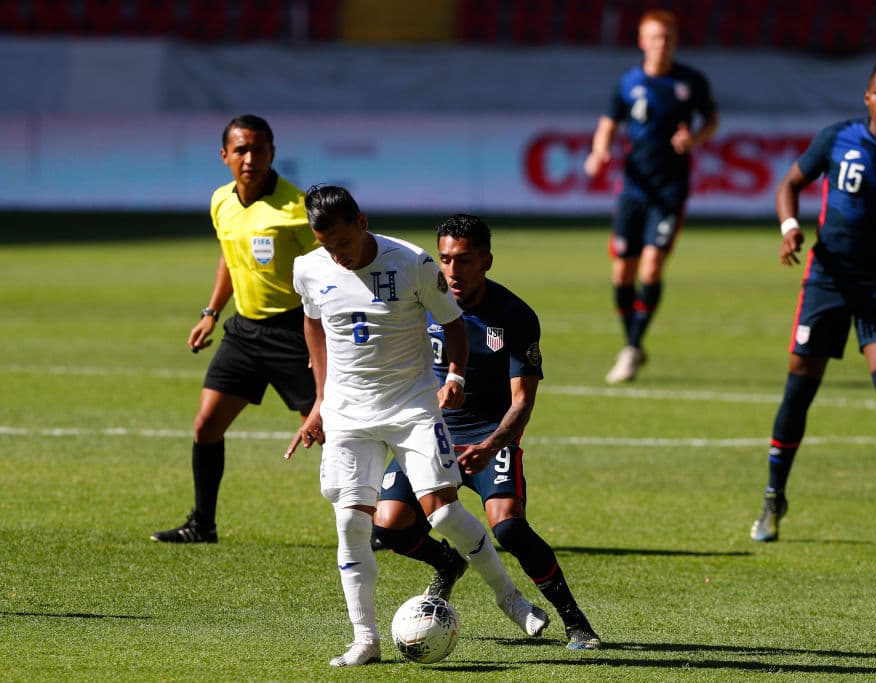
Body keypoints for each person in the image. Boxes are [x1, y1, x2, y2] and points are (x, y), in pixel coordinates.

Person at [285, 187, 549, 667]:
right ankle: (365, 638)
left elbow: (452, 325)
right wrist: (320, 401)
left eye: (343, 243)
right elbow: (313, 326)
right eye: (327, 246)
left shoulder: (412, 263)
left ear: (362, 222)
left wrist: (453, 376)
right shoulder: (309, 267)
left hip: (411, 407)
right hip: (347, 412)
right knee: (350, 523)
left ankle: (509, 598)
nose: (337, 256)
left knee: (444, 516)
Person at [371, 214, 601, 651]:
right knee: (389, 527)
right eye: (444, 260)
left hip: (490, 436)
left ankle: (576, 623)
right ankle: (447, 562)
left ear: (486, 261)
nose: (452, 272)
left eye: (464, 260)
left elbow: (522, 402)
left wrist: (492, 444)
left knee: (509, 529)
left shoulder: (514, 315)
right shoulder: (421, 305)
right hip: (428, 435)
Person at [750, 57, 876, 542]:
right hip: (827, 279)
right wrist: (790, 227)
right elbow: (790, 184)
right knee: (800, 388)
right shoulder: (837, 138)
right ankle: (774, 496)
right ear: (867, 97)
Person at [151, 115, 317, 543]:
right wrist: (211, 311)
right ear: (224, 155)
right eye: (241, 150)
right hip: (244, 331)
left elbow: (332, 264)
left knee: (329, 432)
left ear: (272, 154)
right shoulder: (221, 201)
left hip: (294, 332)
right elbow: (229, 256)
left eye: (258, 149)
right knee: (206, 425)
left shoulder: (296, 208)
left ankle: (383, 522)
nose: (250, 158)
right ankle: (202, 525)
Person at [584, 9, 719, 384]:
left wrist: (694, 139)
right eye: (655, 37)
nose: (662, 43)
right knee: (622, 270)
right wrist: (599, 152)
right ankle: (632, 344)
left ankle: (631, 347)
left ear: (675, 41)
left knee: (652, 267)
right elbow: (607, 125)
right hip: (633, 188)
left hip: (671, 188)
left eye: (668, 37)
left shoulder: (691, 82)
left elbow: (712, 120)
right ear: (643, 42)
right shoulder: (628, 83)